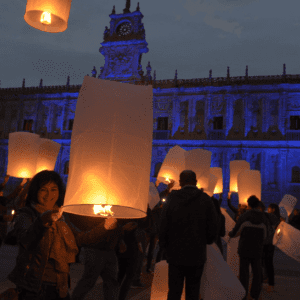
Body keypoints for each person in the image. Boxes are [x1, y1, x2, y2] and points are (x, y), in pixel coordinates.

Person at [7, 170, 119, 300]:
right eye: (43, 189)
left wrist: (104, 227)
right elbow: (27, 240)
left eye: (54, 189)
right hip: (34, 287)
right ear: (35, 191)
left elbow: (79, 239)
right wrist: (44, 221)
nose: (49, 194)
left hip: (60, 286)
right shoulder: (26, 215)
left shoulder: (61, 217)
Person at [159, 170, 218, 300]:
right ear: (196, 182)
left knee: (174, 290)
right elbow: (213, 225)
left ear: (180, 182)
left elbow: (163, 223)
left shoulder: (172, 198)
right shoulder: (205, 199)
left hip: (175, 253)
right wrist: (207, 240)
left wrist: (163, 245)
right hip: (197, 253)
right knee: (193, 291)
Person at [70, 214, 137, 300]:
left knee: (111, 282)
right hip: (95, 250)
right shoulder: (95, 211)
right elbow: (93, 233)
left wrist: (120, 237)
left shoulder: (112, 209)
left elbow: (113, 227)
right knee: (89, 281)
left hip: (110, 250)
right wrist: (120, 229)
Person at [228, 196, 268, 300]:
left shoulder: (245, 216)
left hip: (244, 248)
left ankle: (243, 294)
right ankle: (255, 294)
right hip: (258, 249)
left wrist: (230, 234)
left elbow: (235, 232)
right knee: (257, 273)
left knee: (244, 273)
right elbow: (266, 235)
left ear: (248, 204)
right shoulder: (264, 217)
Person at [257, 201, 280, 294]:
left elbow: (278, 226)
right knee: (263, 263)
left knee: (268, 263)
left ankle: (271, 283)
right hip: (264, 243)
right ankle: (264, 281)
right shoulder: (264, 216)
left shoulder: (271, 217)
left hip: (269, 243)